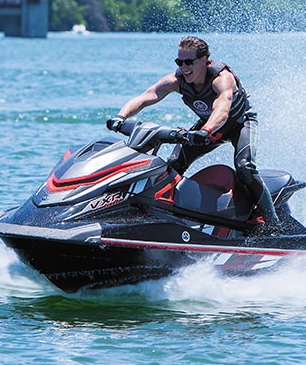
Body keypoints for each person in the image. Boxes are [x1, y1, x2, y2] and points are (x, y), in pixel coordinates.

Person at [106, 36, 281, 231]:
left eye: (189, 62)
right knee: (173, 164)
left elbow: (221, 111)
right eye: (179, 62)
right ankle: (167, 217)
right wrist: (120, 117)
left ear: (205, 60)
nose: (184, 67)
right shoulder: (175, 80)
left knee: (245, 167)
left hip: (240, 123)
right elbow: (146, 97)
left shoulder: (221, 80)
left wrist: (205, 131)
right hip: (209, 127)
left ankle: (273, 224)